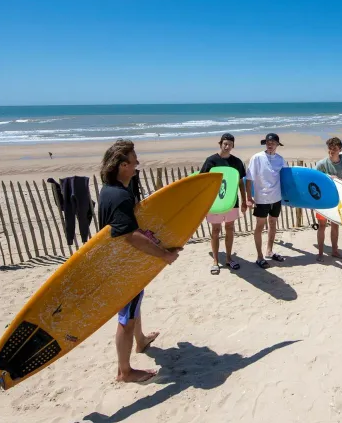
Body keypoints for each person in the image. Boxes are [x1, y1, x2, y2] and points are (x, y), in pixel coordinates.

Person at [98, 139, 182, 382]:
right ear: (123, 165)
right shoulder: (120, 197)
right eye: (134, 162)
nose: (137, 165)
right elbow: (130, 236)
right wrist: (164, 255)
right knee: (126, 317)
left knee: (134, 305)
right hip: (123, 266)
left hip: (120, 262)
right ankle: (125, 371)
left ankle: (141, 340)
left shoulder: (108, 190)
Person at [200, 133, 247, 274]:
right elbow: (202, 181)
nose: (227, 146)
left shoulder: (237, 162)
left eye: (230, 144)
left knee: (230, 228)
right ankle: (215, 261)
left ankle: (228, 258)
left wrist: (244, 200)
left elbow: (240, 183)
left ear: (233, 146)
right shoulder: (211, 161)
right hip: (215, 202)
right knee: (215, 230)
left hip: (232, 201)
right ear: (220, 144)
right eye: (225, 144)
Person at [245, 133, 288, 268]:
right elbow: (249, 178)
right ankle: (259, 257)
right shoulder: (257, 158)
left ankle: (269, 251)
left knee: (273, 224)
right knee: (260, 226)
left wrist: (290, 198)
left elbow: (287, 179)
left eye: (273, 142)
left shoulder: (281, 160)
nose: (270, 144)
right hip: (261, 199)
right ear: (265, 143)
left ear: (277, 145)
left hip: (276, 198)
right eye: (268, 142)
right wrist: (249, 198)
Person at [315, 137, 342, 261]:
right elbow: (314, 182)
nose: (331, 151)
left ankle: (335, 251)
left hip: (337, 200)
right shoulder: (321, 164)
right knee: (322, 225)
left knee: (335, 226)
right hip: (322, 200)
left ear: (340, 149)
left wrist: (338, 180)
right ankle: (320, 253)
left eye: (334, 148)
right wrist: (327, 178)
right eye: (330, 148)